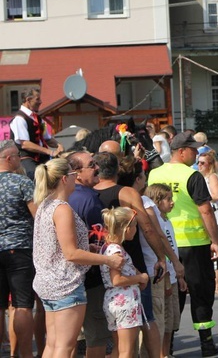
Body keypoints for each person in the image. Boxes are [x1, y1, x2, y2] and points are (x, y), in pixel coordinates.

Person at [32, 158, 123, 358]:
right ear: (65, 179)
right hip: (65, 284)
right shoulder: (61, 209)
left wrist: (86, 247)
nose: (76, 179)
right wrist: (108, 260)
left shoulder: (45, 205)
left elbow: (57, 245)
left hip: (49, 283)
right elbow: (71, 254)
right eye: (73, 176)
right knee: (64, 346)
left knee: (54, 344)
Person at [147, 132, 218, 357]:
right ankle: (206, 343)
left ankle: (166, 346)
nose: (196, 153)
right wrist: (215, 241)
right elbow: (205, 210)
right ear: (181, 151)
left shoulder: (153, 174)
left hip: (164, 244)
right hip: (194, 243)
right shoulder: (193, 175)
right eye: (193, 149)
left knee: (171, 297)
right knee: (201, 293)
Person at [93, 152, 166, 358]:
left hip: (98, 262)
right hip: (129, 268)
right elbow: (148, 227)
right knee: (147, 318)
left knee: (117, 342)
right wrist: (161, 258)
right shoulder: (127, 193)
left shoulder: (89, 192)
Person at [65, 151, 112, 358]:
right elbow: (100, 241)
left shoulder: (61, 199)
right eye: (91, 165)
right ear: (76, 172)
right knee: (97, 337)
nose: (97, 168)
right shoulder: (90, 201)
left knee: (67, 339)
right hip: (91, 279)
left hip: (66, 280)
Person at [0, 140, 37, 358]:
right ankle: (25, 354)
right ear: (8, 158)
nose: (19, 159)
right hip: (19, 248)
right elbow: (37, 215)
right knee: (22, 305)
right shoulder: (21, 182)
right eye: (16, 156)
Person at [145, 183, 188, 358]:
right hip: (165, 276)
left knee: (171, 322)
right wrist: (171, 271)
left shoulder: (166, 220)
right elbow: (163, 246)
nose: (172, 202)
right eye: (168, 199)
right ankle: (161, 354)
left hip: (173, 276)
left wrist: (179, 277)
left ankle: (166, 352)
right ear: (156, 201)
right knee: (162, 320)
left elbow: (172, 247)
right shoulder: (158, 223)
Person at [100, 207, 148, 358]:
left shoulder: (107, 247)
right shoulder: (116, 251)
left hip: (112, 300)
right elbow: (117, 279)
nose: (135, 230)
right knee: (127, 351)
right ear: (127, 229)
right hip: (125, 301)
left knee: (118, 349)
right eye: (134, 227)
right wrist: (140, 278)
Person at [9, 88, 64, 180]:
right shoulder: (19, 119)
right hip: (26, 158)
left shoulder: (38, 118)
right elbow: (25, 144)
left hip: (41, 158)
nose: (40, 102)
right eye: (37, 99)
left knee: (59, 173)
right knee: (36, 176)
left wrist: (59, 145)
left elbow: (47, 138)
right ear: (28, 100)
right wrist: (50, 151)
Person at [197, 149, 218, 295]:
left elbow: (217, 195)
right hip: (206, 216)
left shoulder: (212, 177)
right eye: (198, 162)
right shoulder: (202, 178)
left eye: (203, 163)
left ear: (210, 165)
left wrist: (203, 198)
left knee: (217, 250)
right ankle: (217, 283)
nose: (199, 165)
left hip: (214, 215)